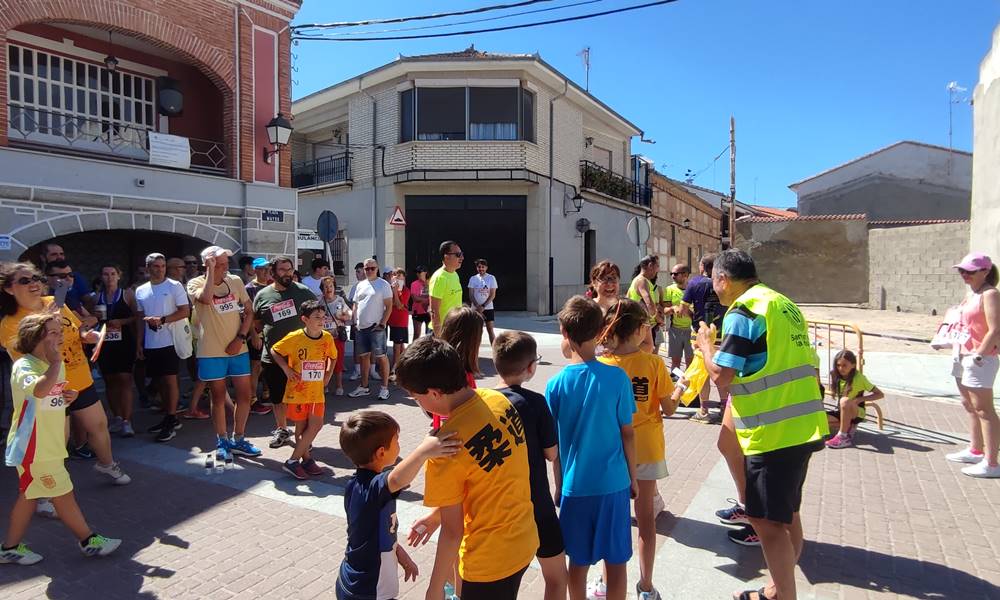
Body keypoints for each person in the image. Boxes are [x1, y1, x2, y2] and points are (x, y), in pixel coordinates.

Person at [696, 249, 828, 600]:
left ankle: (781, 594)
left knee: (768, 525)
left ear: (723, 279)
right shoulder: (783, 304)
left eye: (715, 282)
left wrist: (706, 346)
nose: (715, 290)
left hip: (774, 431)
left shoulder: (744, 311)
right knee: (787, 515)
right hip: (803, 424)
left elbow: (721, 377)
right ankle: (776, 589)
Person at [395, 336, 538, 600]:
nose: (419, 404)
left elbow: (453, 532)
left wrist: (434, 588)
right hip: (524, 538)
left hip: (488, 561)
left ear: (434, 393)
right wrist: (435, 516)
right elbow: (492, 478)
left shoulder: (445, 446)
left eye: (417, 398)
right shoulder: (500, 401)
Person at [1, 313, 121, 565]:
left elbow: (51, 396)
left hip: (51, 445)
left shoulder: (56, 363)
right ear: (35, 337)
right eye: (54, 333)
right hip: (35, 448)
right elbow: (39, 389)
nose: (60, 337)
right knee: (63, 493)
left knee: (29, 497)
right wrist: (56, 364)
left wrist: (70, 395)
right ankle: (89, 540)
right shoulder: (24, 366)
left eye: (59, 331)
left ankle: (9, 548)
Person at [0, 262, 131, 488]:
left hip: (79, 377)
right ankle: (45, 491)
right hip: (51, 387)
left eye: (35, 279)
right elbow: (27, 363)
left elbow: (76, 327)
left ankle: (107, 464)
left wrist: (86, 335)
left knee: (99, 426)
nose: (33, 284)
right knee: (57, 442)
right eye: (24, 280)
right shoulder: (10, 324)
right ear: (9, 289)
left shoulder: (55, 302)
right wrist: (44, 323)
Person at [546, 295, 637, 600]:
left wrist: (558, 485)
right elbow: (628, 434)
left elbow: (553, 446)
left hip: (575, 486)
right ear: (600, 332)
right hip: (614, 484)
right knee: (617, 559)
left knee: (578, 560)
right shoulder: (617, 378)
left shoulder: (555, 384)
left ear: (564, 333)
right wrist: (633, 478)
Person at [597, 299, 677, 600]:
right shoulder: (654, 364)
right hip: (647, 448)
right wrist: (680, 390)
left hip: (612, 450)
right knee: (645, 520)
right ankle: (645, 586)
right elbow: (669, 408)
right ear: (640, 329)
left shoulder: (602, 365)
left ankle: (607, 583)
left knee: (614, 520)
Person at [337, 411, 461, 600]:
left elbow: (371, 536)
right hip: (368, 591)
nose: (399, 445)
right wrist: (423, 451)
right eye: (397, 440)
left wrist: (401, 556)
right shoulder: (374, 488)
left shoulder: (354, 486)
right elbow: (397, 479)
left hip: (353, 581)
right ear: (381, 452)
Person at [494, 331, 568, 600]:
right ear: (530, 368)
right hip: (536, 501)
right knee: (557, 578)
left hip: (500, 504)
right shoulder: (536, 403)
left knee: (504, 580)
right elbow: (551, 454)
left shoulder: (485, 402)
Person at [187, 246, 262, 464]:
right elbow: (206, 298)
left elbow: (249, 311)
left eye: (226, 264)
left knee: (245, 395)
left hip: (238, 348)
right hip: (211, 351)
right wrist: (211, 272)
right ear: (208, 265)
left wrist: (240, 338)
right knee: (218, 396)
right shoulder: (195, 283)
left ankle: (239, 438)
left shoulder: (236, 282)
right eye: (219, 264)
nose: (225, 268)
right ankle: (222, 440)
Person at [252, 256, 317, 449]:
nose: (287, 273)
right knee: (277, 398)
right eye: (282, 270)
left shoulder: (304, 292)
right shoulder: (263, 295)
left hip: (301, 357)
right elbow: (256, 323)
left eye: (290, 269)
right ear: (272, 273)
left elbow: (316, 319)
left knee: (301, 399)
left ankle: (302, 435)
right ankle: (282, 429)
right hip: (273, 356)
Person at [944, 252, 1000, 478]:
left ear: (985, 271)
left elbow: (995, 329)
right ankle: (976, 449)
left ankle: (992, 462)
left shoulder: (990, 294)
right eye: (962, 271)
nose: (964, 275)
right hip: (963, 354)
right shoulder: (972, 294)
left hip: (979, 358)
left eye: (969, 271)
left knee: (985, 410)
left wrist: (979, 355)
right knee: (969, 404)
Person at [270, 300, 338, 479]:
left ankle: (292, 461)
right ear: (304, 319)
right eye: (316, 317)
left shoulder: (327, 338)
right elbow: (275, 350)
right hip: (298, 392)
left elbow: (333, 357)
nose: (321, 321)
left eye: (323, 317)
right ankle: (306, 459)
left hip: (317, 392)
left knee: (315, 425)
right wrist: (286, 368)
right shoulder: (294, 337)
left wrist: (328, 375)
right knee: (301, 429)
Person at [134, 253, 191, 442]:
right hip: (151, 343)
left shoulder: (174, 286)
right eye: (156, 266)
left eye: (162, 266)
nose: (159, 269)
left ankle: (171, 418)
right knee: (158, 381)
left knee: (170, 379)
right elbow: (140, 319)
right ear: (148, 267)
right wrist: (139, 343)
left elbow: (185, 311)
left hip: (171, 339)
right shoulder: (140, 290)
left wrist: (163, 320)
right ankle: (169, 416)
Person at [94, 264, 138, 438]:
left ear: (119, 276)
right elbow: (90, 318)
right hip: (105, 343)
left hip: (124, 341)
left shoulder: (127, 295)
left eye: (113, 274)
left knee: (125, 379)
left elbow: (137, 316)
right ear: (101, 277)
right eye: (106, 274)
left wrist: (122, 322)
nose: (109, 277)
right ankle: (117, 417)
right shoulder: (96, 297)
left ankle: (127, 421)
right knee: (110, 381)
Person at [682, 254, 725, 424]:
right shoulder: (722, 283)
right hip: (721, 333)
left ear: (702, 266)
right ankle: (723, 409)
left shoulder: (694, 283)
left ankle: (704, 410)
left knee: (702, 371)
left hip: (701, 334)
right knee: (721, 369)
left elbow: (682, 308)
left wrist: (694, 316)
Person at [349, 258, 392, 401]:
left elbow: (389, 306)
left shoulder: (383, 284)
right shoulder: (360, 285)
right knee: (364, 357)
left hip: (376, 327)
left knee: (381, 357)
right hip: (361, 327)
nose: (369, 271)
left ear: (377, 268)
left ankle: (384, 388)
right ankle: (364, 386)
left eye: (372, 268)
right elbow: (356, 304)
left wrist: (382, 323)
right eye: (366, 269)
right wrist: (354, 321)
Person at [824, 350, 884, 449]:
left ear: (853, 365)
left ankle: (843, 437)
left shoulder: (859, 378)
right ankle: (849, 427)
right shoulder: (835, 374)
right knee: (819, 418)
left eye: (844, 365)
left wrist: (860, 399)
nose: (840, 368)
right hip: (841, 411)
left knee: (845, 401)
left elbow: (880, 394)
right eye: (838, 365)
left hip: (856, 411)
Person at [245, 257, 273, 413]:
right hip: (257, 334)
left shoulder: (273, 286)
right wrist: (253, 335)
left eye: (268, 268)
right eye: (262, 268)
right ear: (255, 270)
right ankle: (251, 400)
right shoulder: (249, 288)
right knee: (255, 366)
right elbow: (247, 314)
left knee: (269, 365)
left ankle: (267, 394)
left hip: (272, 333)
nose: (266, 271)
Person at [320, 276, 351, 397]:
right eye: (326, 287)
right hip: (323, 337)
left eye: (331, 286)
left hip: (337, 336)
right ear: (322, 289)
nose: (329, 289)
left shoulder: (340, 300)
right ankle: (324, 385)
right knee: (323, 362)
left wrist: (342, 317)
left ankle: (339, 385)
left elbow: (349, 314)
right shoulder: (320, 302)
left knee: (338, 362)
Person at [38, 244, 91, 314]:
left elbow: (87, 301)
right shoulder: (36, 280)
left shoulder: (74, 276)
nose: (59, 257)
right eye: (54, 254)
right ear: (43, 257)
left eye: (61, 254)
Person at [429, 240, 464, 336]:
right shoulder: (439, 278)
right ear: (446, 256)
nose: (462, 257)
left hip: (454, 329)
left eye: (461, 254)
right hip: (442, 332)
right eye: (458, 254)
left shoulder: (455, 274)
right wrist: (439, 338)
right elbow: (434, 311)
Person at [664, 263, 694, 371]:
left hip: (691, 332)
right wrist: (672, 308)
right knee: (675, 362)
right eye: (671, 274)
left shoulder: (693, 288)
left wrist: (688, 312)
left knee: (690, 363)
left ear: (685, 275)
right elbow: (665, 311)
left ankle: (689, 386)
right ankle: (675, 385)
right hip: (675, 330)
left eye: (676, 274)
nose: (672, 276)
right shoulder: (669, 289)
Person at [628, 255, 661, 345]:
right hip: (643, 327)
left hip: (638, 325)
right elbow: (649, 303)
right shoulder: (642, 281)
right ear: (650, 265)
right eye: (657, 266)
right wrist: (658, 319)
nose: (658, 270)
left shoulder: (637, 280)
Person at [468, 259, 498, 344]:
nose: (481, 269)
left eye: (483, 267)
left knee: (490, 329)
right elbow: (471, 294)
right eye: (479, 267)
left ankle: (495, 351)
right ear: (477, 268)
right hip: (475, 309)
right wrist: (477, 306)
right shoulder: (473, 279)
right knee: (476, 331)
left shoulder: (491, 278)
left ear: (486, 267)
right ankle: (474, 352)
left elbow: (492, 294)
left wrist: (483, 306)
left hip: (488, 308)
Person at [388, 267, 411, 377]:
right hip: (392, 321)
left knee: (397, 347)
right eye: (396, 276)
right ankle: (401, 367)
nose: (397, 278)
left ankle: (395, 369)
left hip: (400, 321)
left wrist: (395, 293)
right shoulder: (391, 289)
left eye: (400, 276)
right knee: (399, 345)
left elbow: (399, 305)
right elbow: (389, 303)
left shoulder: (405, 290)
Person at [347, 262, 366, 381]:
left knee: (371, 347)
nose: (356, 274)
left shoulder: (375, 284)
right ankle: (357, 370)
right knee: (356, 346)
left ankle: (371, 370)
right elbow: (351, 304)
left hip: (370, 321)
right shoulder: (355, 287)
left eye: (358, 271)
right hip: (357, 321)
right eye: (356, 272)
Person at [410, 266, 430, 339]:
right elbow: (415, 299)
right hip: (417, 311)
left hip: (428, 311)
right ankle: (413, 350)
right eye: (417, 272)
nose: (418, 274)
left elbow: (434, 296)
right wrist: (428, 299)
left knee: (429, 334)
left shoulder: (431, 282)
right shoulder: (414, 284)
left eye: (419, 272)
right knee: (417, 334)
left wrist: (426, 283)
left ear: (425, 272)